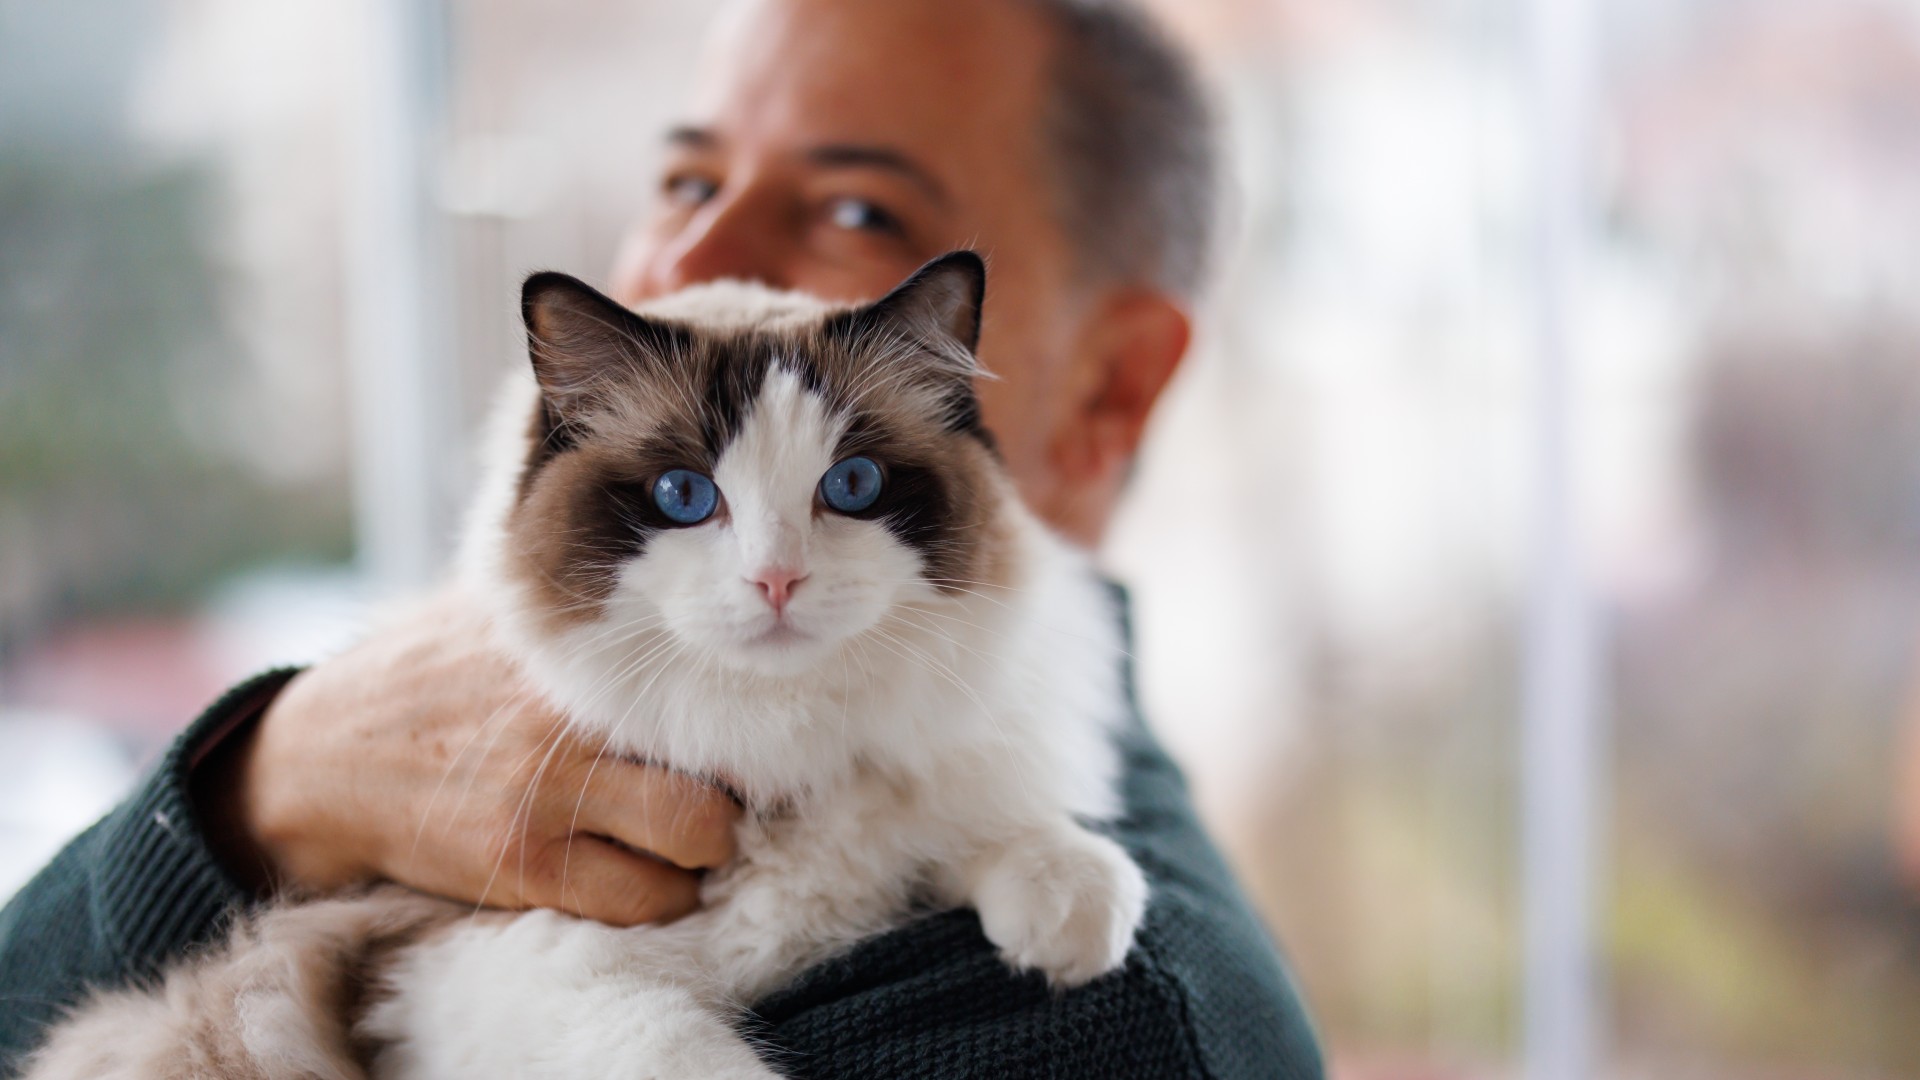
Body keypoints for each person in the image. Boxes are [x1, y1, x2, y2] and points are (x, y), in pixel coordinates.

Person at [0, 0, 1323, 1075]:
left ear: (1112, 387)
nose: (699, 251)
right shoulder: (462, 724)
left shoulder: (1099, 1029)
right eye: (685, 174)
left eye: (859, 212)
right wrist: (263, 787)